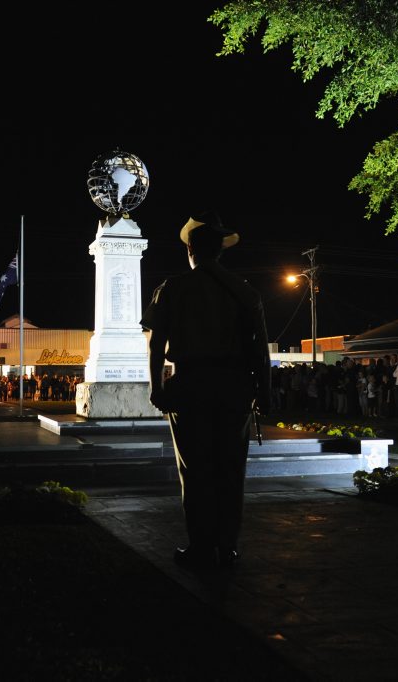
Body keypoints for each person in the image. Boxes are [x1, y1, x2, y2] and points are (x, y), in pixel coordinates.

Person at [141, 211, 271, 570]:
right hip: (234, 388)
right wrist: (266, 390)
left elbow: (156, 345)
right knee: (231, 471)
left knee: (196, 472)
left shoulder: (173, 288)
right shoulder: (244, 290)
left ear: (191, 251)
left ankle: (201, 545)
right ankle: (227, 545)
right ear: (220, 252)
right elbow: (261, 348)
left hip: (191, 387)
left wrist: (156, 387)